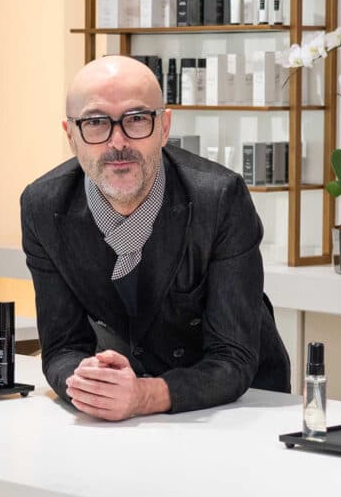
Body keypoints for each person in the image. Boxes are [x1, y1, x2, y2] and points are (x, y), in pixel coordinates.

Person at [20, 55, 290, 421]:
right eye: (96, 123)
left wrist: (144, 396)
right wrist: (91, 385)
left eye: (136, 120)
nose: (118, 142)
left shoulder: (220, 198)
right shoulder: (43, 207)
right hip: (126, 412)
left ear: (164, 127)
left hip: (236, 408)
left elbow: (233, 356)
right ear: (71, 136)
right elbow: (63, 347)